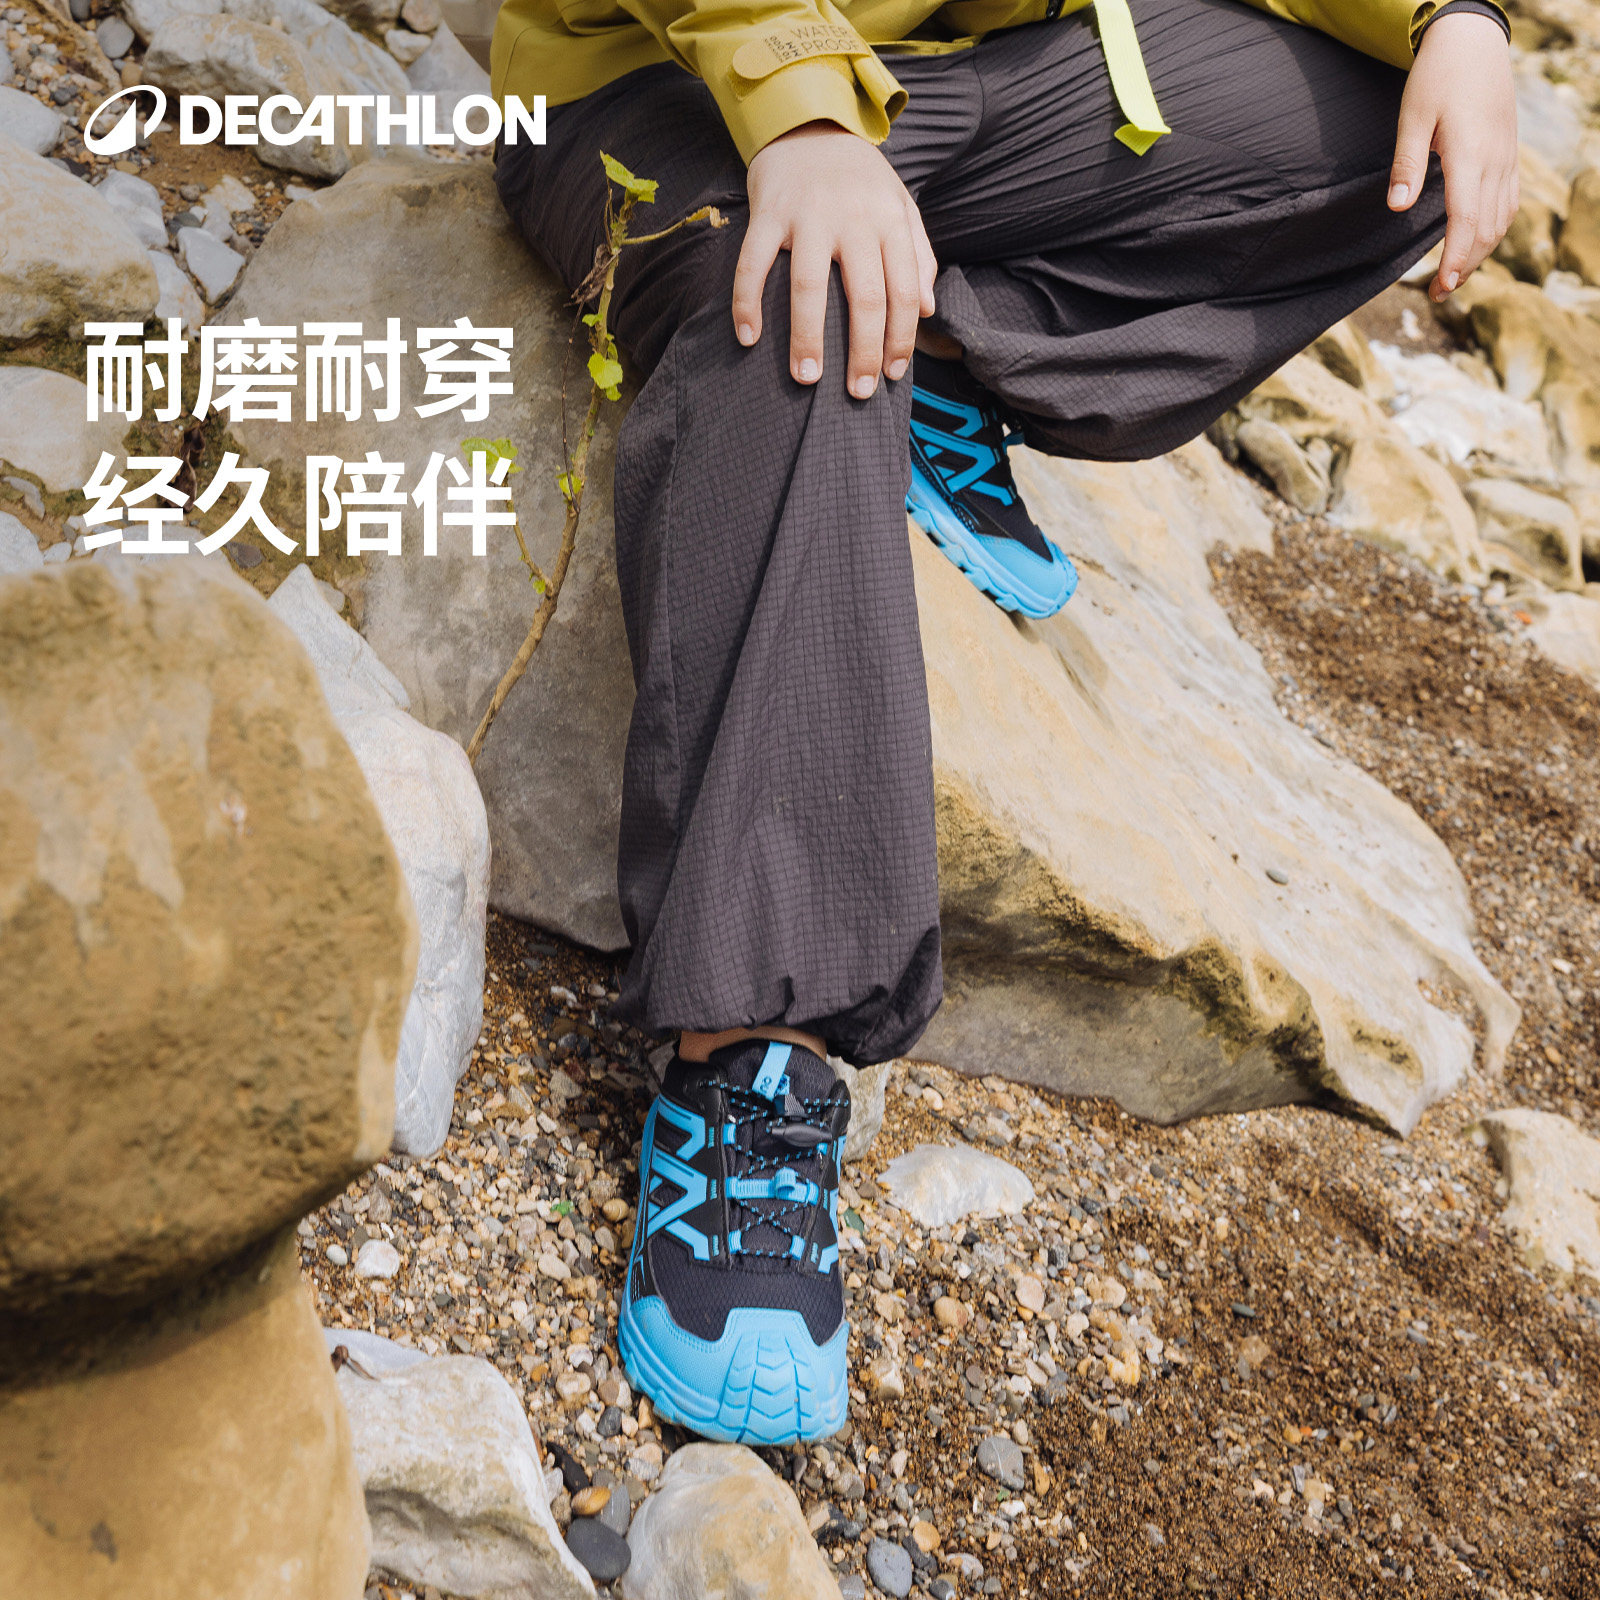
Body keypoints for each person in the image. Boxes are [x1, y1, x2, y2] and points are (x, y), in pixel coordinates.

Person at [491, 0, 1516, 1444]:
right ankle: (749, 1060)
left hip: (952, 90)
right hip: (662, 91)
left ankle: (946, 349)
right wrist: (803, 111)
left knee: (1390, 136)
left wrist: (1451, 19)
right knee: (801, 303)